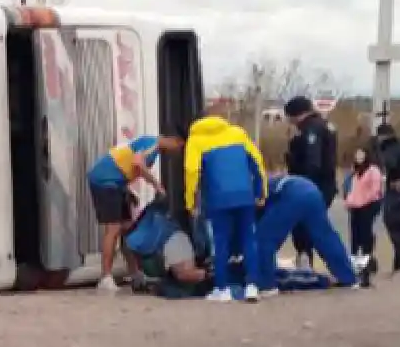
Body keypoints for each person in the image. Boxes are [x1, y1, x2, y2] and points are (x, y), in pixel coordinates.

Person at [86, 134, 184, 294]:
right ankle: (105, 277)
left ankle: (135, 274)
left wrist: (127, 191)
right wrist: (157, 185)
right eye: (179, 148)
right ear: (175, 141)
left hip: (117, 183)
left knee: (128, 228)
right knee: (114, 229)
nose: (177, 153)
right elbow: (137, 163)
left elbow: (125, 166)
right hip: (104, 181)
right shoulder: (153, 143)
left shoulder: (153, 148)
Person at [184, 116, 267, 303]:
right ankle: (252, 286)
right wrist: (261, 192)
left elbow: (191, 172)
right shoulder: (238, 133)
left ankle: (223, 289)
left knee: (221, 243)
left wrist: (191, 203)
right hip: (245, 195)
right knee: (249, 240)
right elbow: (257, 161)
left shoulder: (196, 140)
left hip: (218, 199)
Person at [255, 171, 366, 291]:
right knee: (326, 237)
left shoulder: (253, 193)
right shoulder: (261, 181)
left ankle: (266, 284)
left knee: (264, 239)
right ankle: (348, 277)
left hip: (291, 194)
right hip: (311, 190)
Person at [283, 96, 339, 270]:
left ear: (296, 114)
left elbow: (313, 162)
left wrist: (302, 184)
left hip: (313, 186)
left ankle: (306, 258)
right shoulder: (324, 126)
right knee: (315, 225)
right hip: (323, 185)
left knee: (304, 225)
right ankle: (324, 262)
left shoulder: (311, 129)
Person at [123, 194, 209, 297]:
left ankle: (212, 277)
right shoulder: (149, 217)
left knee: (184, 275)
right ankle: (212, 276)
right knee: (184, 277)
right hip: (171, 241)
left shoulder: (131, 239)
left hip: (169, 244)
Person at [375, 123, 400, 273]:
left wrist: (396, 178)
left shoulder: (388, 149)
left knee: (392, 224)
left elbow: (390, 163)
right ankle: (399, 263)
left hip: (396, 191)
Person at [343, 146, 383, 262]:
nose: (358, 157)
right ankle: (354, 257)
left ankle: (367, 257)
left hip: (369, 205)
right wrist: (349, 202)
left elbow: (375, 189)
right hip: (355, 206)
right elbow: (352, 189)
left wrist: (363, 201)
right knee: (355, 233)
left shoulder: (373, 170)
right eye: (357, 155)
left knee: (365, 231)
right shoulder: (355, 172)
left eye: (361, 154)